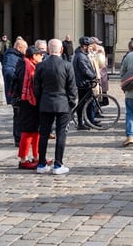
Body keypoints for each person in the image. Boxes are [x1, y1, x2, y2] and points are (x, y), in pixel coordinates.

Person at [34, 38, 77, 175]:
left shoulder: (41, 66)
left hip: (46, 103)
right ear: (62, 50)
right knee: (61, 134)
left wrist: (41, 101)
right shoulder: (67, 65)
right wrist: (71, 103)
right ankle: (58, 164)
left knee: (44, 134)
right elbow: (72, 88)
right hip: (62, 103)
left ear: (47, 50)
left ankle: (41, 163)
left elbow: (36, 88)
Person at [15, 47, 44, 169]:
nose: (42, 57)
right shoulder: (25, 66)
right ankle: (23, 158)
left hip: (34, 102)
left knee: (36, 130)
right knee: (27, 131)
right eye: (40, 55)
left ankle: (36, 156)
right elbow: (24, 86)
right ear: (34, 55)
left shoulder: (32, 65)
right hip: (27, 103)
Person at [72, 36, 98, 130]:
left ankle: (85, 121)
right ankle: (80, 123)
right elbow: (85, 70)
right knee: (81, 104)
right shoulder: (81, 56)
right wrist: (94, 76)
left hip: (84, 82)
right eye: (89, 46)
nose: (91, 48)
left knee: (84, 103)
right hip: (83, 83)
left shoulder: (82, 55)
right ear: (84, 46)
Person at [1, 37, 26, 106]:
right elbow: (8, 72)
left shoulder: (19, 56)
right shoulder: (11, 57)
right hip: (14, 92)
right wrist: (21, 77)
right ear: (19, 48)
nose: (27, 49)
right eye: (25, 47)